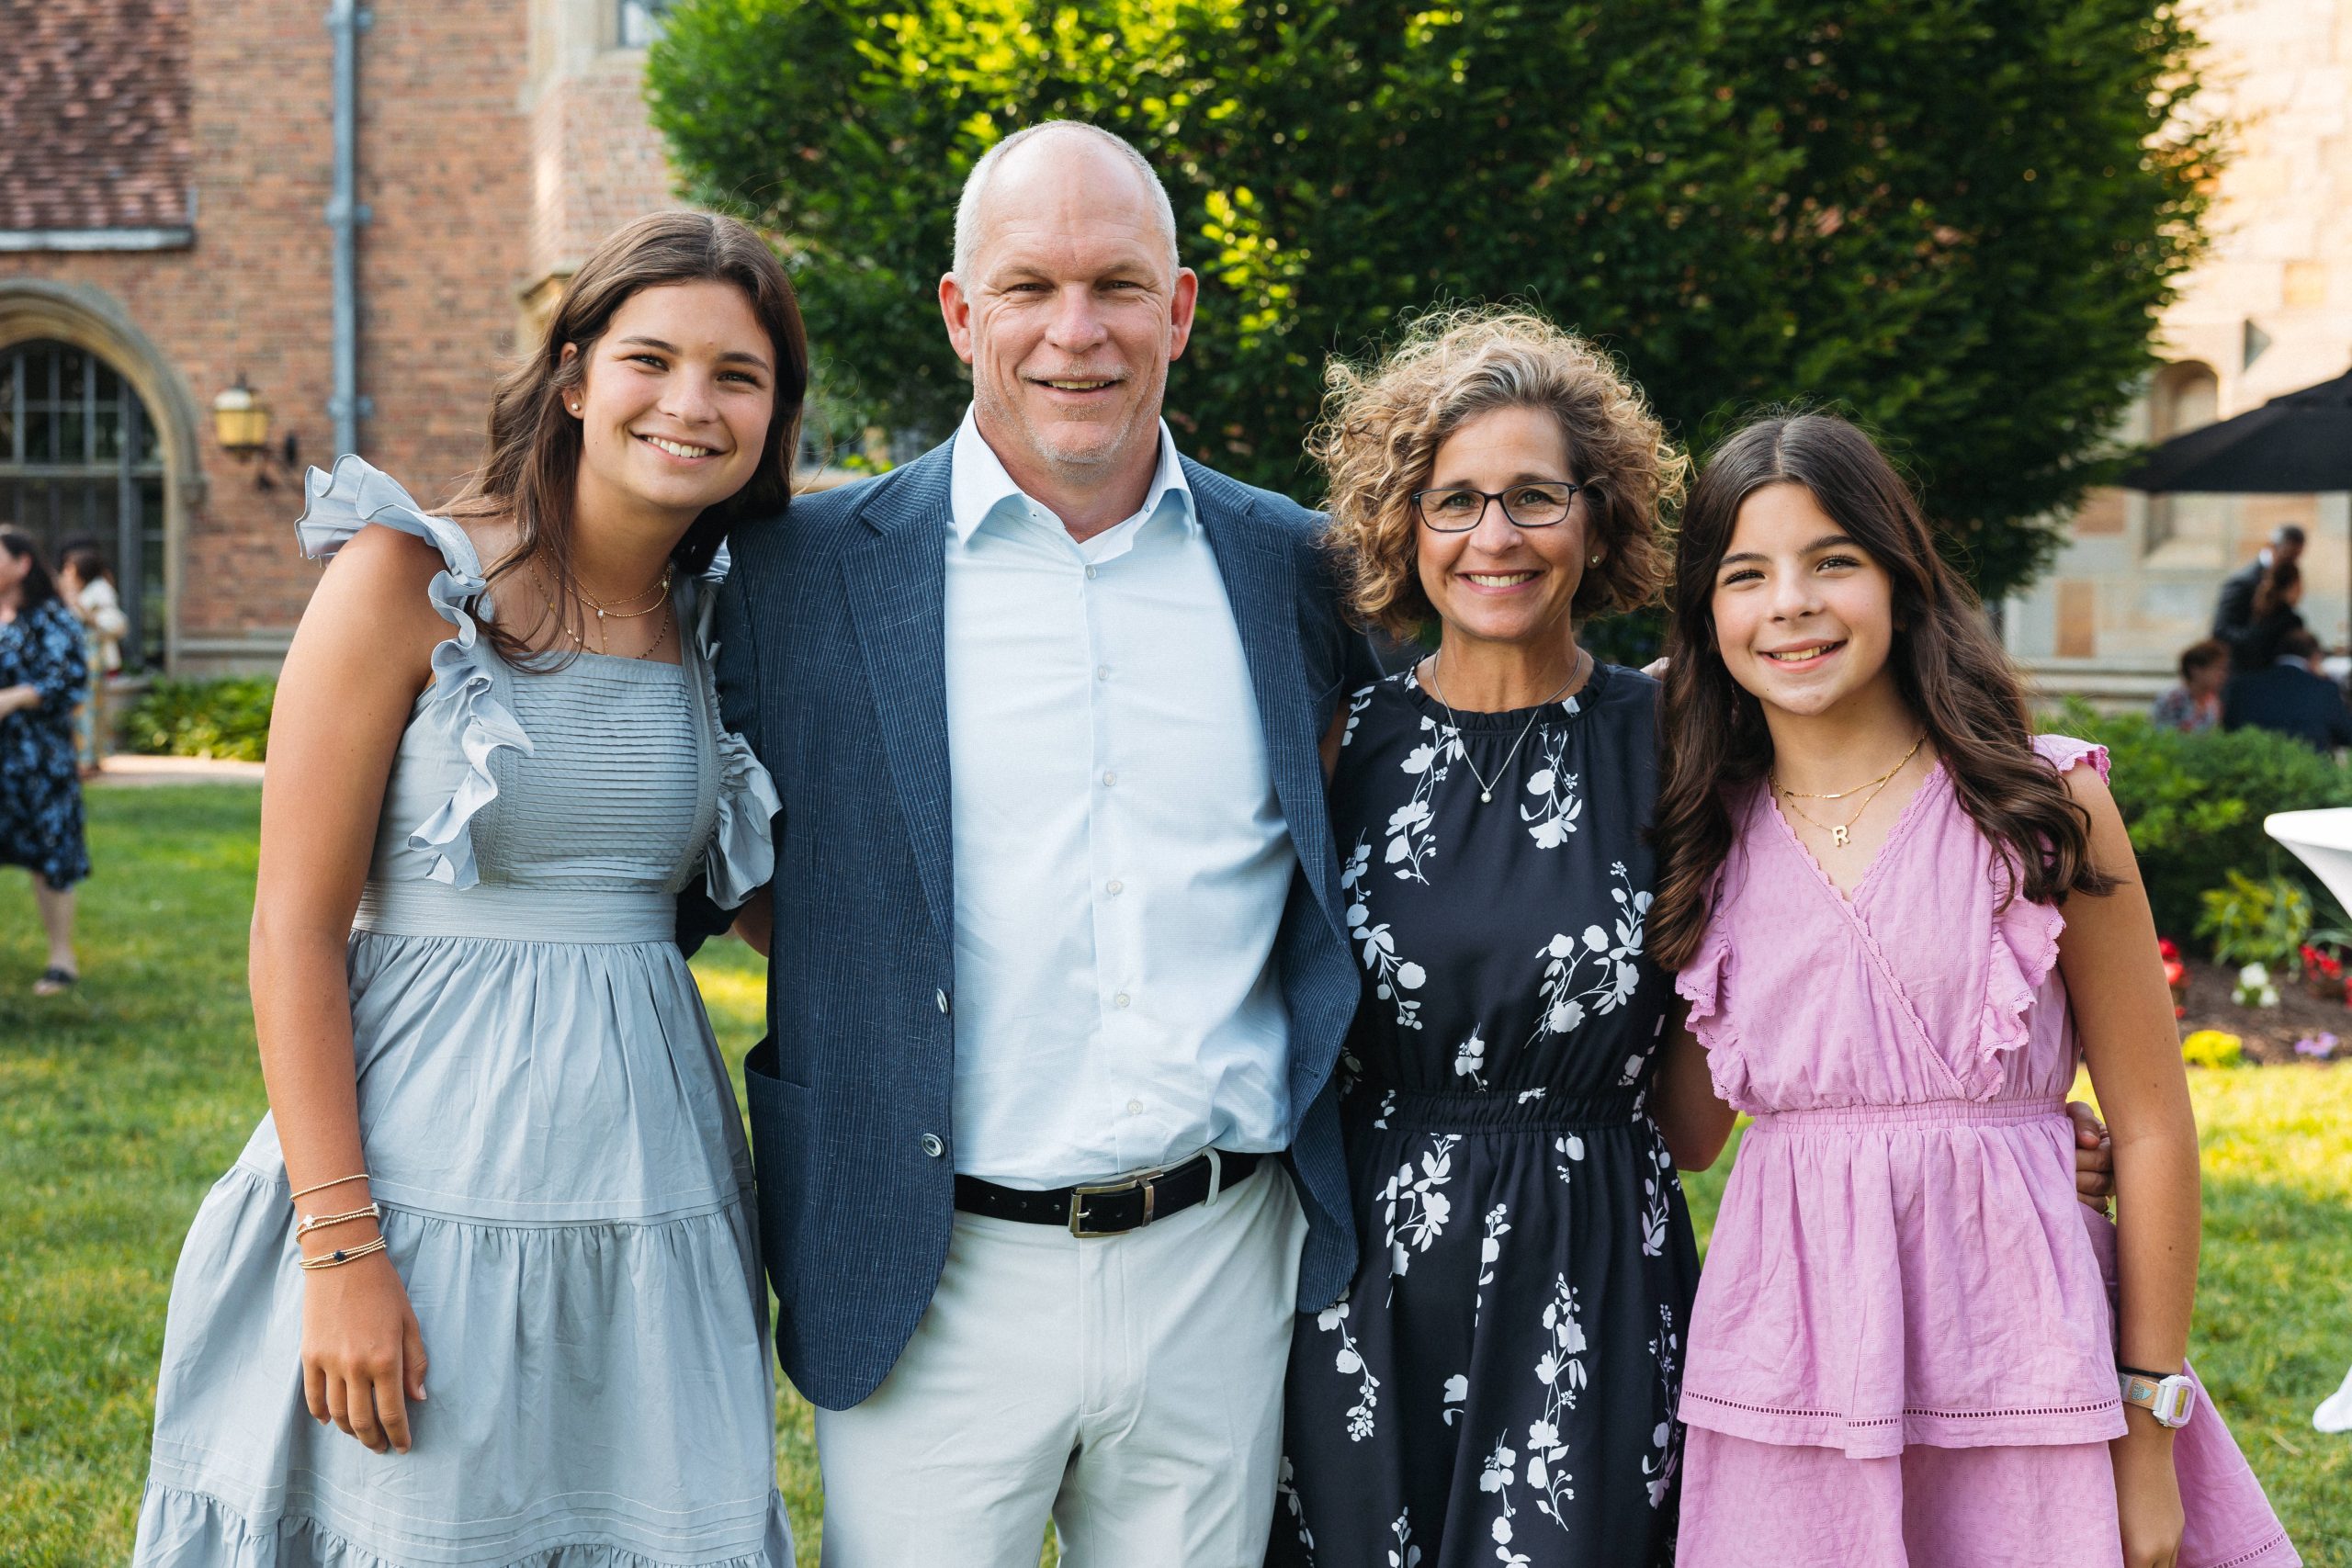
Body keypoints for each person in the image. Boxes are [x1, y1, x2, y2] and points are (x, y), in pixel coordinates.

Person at [685, 119, 1363, 1565]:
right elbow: (697, 855)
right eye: (1029, 287)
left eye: (1120, 284)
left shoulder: (1302, 571)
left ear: (1179, 308)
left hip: (1219, 1262)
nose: (1077, 332)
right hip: (924, 1266)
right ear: (959, 312)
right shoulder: (797, 577)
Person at [133, 211, 801, 1566]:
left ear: (776, 408)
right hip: (421, 1175)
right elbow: (293, 930)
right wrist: (338, 1248)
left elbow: (772, 903)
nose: (691, 403)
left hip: (650, 1176)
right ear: (571, 374)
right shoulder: (408, 576)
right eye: (650, 358)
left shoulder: (729, 619)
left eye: (738, 374)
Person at [1648, 412, 2297, 1568]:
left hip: (2022, 1348)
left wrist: (2148, 1429)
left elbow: (2150, 1127)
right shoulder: (1702, 833)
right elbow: (1694, 1134)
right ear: (1706, 614)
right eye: (1744, 576)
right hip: (1791, 1365)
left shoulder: (2039, 805)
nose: (1789, 603)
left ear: (1902, 576)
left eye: (1832, 560)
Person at [1267, 310, 1700, 1565]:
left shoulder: (1675, 737)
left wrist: (2007, 1121)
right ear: (1404, 524)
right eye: (1454, 500)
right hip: (1368, 1268)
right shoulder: (1341, 741)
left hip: (1599, 1255)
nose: (1494, 536)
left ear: (1598, 515)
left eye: (1533, 496)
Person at [0, 526, 90, 996]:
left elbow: (69, 680)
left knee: (49, 857)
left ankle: (61, 958)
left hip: (39, 763)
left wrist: (15, 697)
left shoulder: (51, 618)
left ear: (22, 564)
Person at [56, 542, 130, 773]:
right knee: (87, 708)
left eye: (70, 568)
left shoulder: (98, 590)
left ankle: (87, 759)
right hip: (83, 657)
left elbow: (112, 622)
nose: (67, 572)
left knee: (87, 709)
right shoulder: (84, 589)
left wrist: (78, 605)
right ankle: (90, 756)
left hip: (91, 658)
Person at [2223, 627, 2352, 752]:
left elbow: (2228, 730)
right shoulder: (2324, 690)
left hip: (2253, 769)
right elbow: (2346, 734)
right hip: (2308, 770)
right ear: (2315, 656)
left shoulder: (2243, 686)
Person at [2212, 523, 2304, 658]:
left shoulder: (2289, 610)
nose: (2292, 562)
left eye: (2296, 557)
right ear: (2272, 547)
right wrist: (2260, 635)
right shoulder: (2242, 582)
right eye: (2288, 555)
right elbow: (2222, 631)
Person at [2150, 638, 2228, 732]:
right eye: (2217, 669)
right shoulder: (2172, 699)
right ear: (2196, 670)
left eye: (2223, 670)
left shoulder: (2213, 702)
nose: (2222, 675)